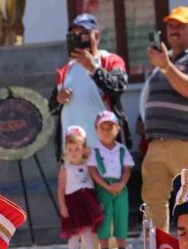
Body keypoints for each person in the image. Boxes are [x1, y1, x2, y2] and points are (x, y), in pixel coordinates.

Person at [140, 7, 188, 233]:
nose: (173, 30)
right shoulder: (165, 61)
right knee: (153, 201)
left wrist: (165, 66)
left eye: (180, 25)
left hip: (187, 141)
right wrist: (164, 64)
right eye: (171, 25)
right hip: (156, 142)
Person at [48, 13, 129, 157]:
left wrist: (93, 68)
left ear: (96, 36)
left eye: (84, 34)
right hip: (74, 155)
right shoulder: (66, 70)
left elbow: (118, 87)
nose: (79, 39)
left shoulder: (110, 61)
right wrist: (58, 100)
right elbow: (52, 108)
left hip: (104, 151)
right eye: (74, 35)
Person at [89, 111, 134, 249]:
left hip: (120, 187)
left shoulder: (122, 150)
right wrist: (106, 186)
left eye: (110, 127)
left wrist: (121, 183)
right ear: (96, 130)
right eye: (103, 128)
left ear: (118, 129)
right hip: (103, 188)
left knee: (121, 217)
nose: (107, 132)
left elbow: (127, 168)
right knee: (104, 220)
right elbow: (93, 171)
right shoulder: (94, 151)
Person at [57, 125, 102, 249]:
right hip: (73, 204)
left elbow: (93, 181)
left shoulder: (89, 166)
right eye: (70, 149)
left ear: (83, 149)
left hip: (86, 203)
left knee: (88, 233)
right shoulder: (65, 169)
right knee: (73, 235)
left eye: (77, 149)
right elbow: (61, 189)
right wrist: (63, 206)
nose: (73, 153)